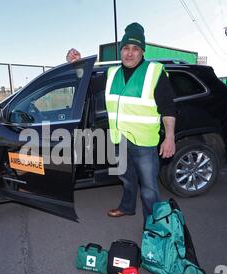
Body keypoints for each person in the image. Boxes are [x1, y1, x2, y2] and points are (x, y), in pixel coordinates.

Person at [67, 22, 177, 223]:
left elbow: (168, 109)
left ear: (142, 51)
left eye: (135, 48)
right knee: (126, 179)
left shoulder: (154, 72)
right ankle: (127, 207)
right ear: (121, 50)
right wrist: (77, 64)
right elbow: (87, 85)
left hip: (145, 143)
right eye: (126, 48)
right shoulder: (112, 73)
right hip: (120, 139)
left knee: (149, 189)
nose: (129, 53)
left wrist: (169, 138)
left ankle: (153, 229)